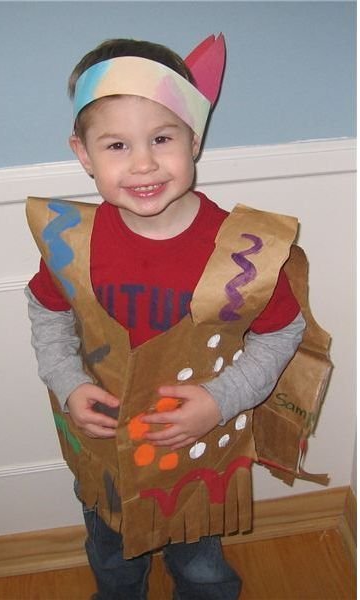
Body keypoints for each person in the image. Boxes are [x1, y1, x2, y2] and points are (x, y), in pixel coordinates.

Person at [25, 35, 305, 600]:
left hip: (198, 453)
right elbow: (47, 312)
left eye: (161, 137)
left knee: (202, 568)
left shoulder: (242, 246)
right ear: (83, 153)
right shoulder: (70, 242)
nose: (145, 163)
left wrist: (223, 399)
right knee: (112, 558)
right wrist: (68, 381)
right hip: (106, 451)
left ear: (193, 140)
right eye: (117, 145)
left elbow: (282, 332)